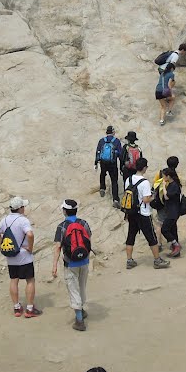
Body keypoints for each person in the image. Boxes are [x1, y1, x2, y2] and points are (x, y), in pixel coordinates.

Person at [0, 197, 41, 318]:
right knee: (30, 280)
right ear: (20, 208)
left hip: (11, 256)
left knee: (14, 280)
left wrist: (3, 245)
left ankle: (17, 307)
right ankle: (29, 309)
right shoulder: (23, 220)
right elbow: (29, 234)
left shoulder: (4, 220)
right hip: (24, 256)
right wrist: (30, 247)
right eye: (23, 206)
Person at [52, 199, 94, 331]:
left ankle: (79, 320)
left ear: (64, 211)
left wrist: (54, 266)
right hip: (85, 261)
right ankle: (81, 309)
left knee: (73, 288)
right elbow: (88, 240)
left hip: (70, 263)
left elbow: (58, 247)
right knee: (81, 286)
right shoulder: (84, 223)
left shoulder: (62, 226)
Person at [123, 157, 170, 270]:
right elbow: (145, 199)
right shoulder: (145, 182)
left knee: (131, 235)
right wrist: (153, 196)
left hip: (131, 212)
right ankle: (157, 260)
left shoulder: (128, 179)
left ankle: (129, 260)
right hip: (143, 213)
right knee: (151, 237)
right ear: (144, 168)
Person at [95, 125, 123, 206]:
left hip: (103, 162)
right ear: (113, 132)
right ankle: (115, 199)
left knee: (103, 174)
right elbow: (120, 154)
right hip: (112, 163)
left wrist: (96, 162)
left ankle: (102, 188)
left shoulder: (101, 140)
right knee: (114, 181)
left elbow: (98, 151)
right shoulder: (116, 141)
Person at [158, 168, 183, 258]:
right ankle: (175, 251)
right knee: (173, 230)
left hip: (173, 212)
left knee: (164, 229)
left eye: (164, 176)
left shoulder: (174, 186)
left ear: (168, 176)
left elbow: (167, 196)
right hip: (171, 211)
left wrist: (164, 186)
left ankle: (176, 245)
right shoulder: (173, 184)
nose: (163, 177)